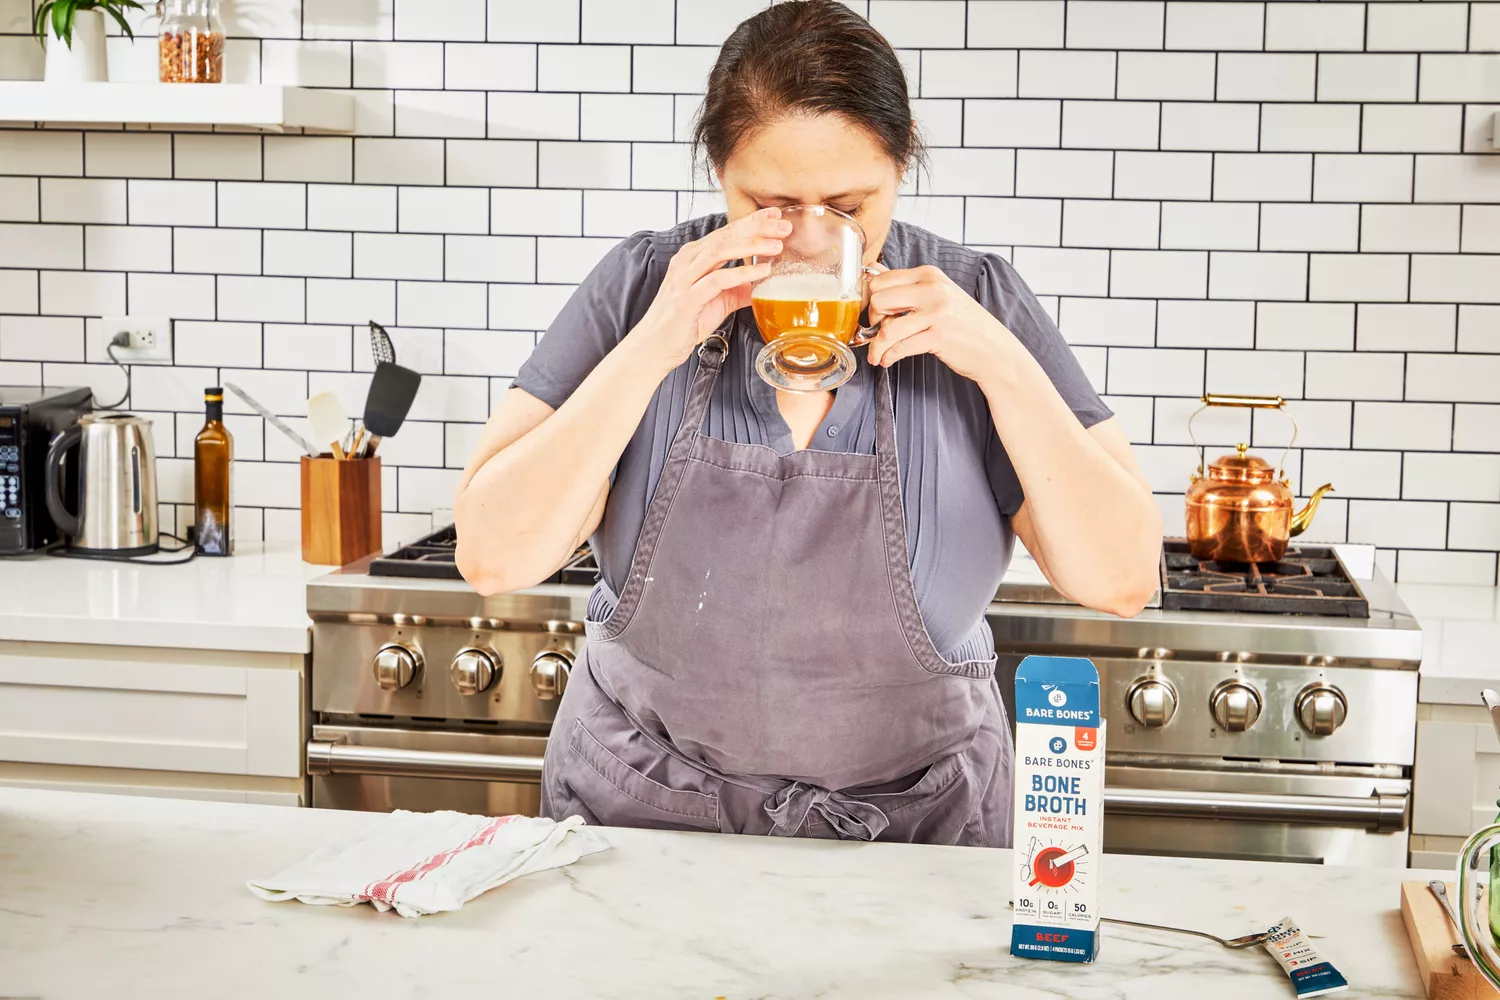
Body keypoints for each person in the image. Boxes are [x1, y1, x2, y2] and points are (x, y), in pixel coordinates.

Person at [455, 0, 1160, 847]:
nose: (813, 244)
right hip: (643, 821)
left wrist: (1004, 369)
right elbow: (493, 557)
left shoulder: (980, 301)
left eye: (849, 206)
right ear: (718, 173)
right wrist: (652, 346)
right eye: (772, 206)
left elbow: (1121, 580)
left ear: (902, 162)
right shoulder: (644, 286)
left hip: (921, 836)